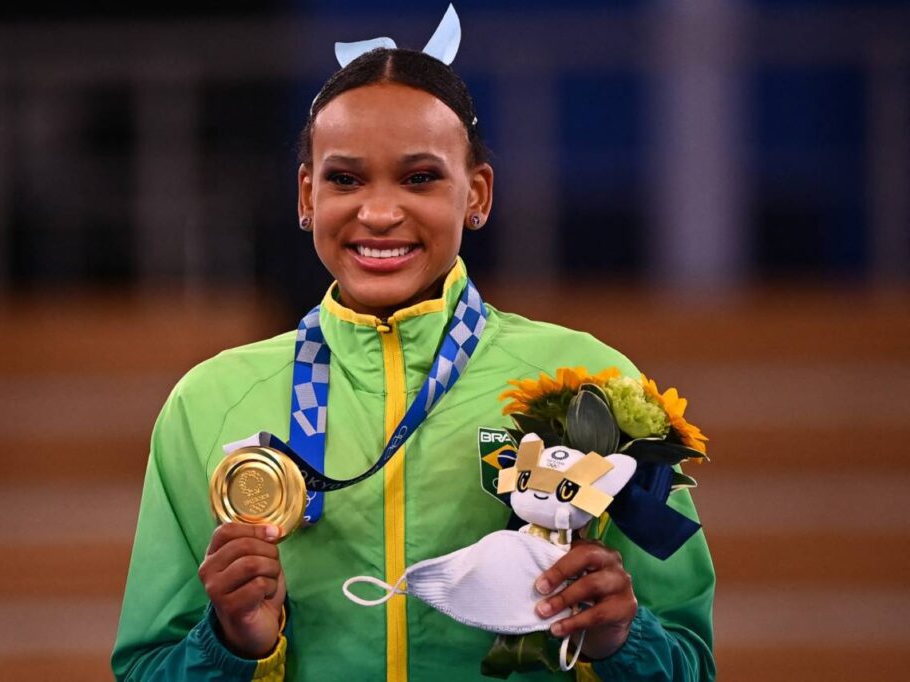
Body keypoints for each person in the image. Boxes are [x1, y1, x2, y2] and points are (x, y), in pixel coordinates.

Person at [111, 27, 715, 682]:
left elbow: (689, 662)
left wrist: (618, 637)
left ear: (477, 194)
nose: (377, 212)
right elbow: (147, 666)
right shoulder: (209, 402)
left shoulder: (593, 385)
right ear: (307, 196)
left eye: (420, 178)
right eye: (345, 178)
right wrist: (232, 643)